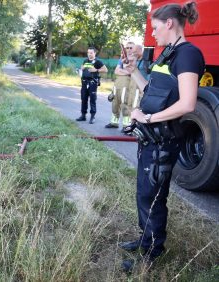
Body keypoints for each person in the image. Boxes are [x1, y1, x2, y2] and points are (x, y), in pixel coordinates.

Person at [119, 2, 205, 272]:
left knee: (152, 196)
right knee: (146, 193)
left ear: (169, 24)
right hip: (151, 138)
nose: (152, 34)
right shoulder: (167, 53)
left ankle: (151, 254)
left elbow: (188, 103)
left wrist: (147, 118)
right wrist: (134, 71)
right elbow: (152, 92)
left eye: (155, 28)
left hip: (164, 139)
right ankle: (146, 240)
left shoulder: (188, 55)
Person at [105, 42, 135, 129]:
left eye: (131, 48)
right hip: (117, 84)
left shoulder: (135, 59)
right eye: (127, 48)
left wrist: (123, 71)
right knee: (115, 103)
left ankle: (127, 125)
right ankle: (114, 123)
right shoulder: (121, 59)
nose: (129, 49)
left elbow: (132, 72)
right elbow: (116, 71)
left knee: (125, 103)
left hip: (127, 85)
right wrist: (126, 72)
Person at [76, 47, 108, 124]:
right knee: (84, 99)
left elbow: (105, 70)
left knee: (92, 100)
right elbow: (82, 68)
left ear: (94, 53)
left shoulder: (98, 61)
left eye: (91, 53)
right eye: (88, 53)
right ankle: (83, 116)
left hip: (92, 83)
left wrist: (96, 70)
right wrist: (81, 69)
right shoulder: (85, 60)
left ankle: (92, 117)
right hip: (84, 82)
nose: (89, 54)